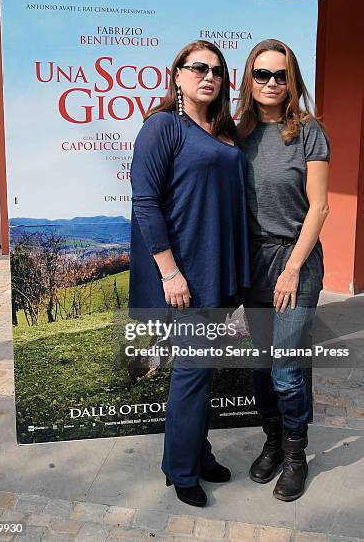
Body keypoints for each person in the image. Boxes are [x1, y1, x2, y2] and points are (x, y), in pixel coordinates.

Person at [129, 40, 250, 507]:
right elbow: (145, 202)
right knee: (194, 370)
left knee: (203, 372)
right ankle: (181, 470)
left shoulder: (223, 131)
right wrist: (169, 273)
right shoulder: (162, 127)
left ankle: (198, 454)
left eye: (217, 70)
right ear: (176, 74)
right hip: (186, 273)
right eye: (198, 67)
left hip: (219, 268)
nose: (209, 76)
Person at [237, 39, 330, 502]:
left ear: (292, 80)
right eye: (262, 75)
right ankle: (272, 443)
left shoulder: (309, 131)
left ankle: (296, 454)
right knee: (260, 364)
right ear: (248, 81)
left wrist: (292, 269)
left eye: (280, 75)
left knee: (287, 370)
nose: (271, 83)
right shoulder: (238, 134)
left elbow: (319, 208)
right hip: (254, 263)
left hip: (296, 260)